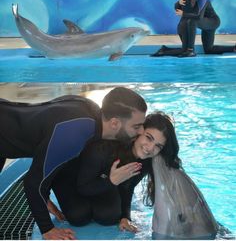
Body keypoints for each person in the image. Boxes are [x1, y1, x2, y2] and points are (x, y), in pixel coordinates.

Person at [0, 87, 147, 240]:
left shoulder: (87, 109)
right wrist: (47, 229)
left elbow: (44, 131)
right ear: (115, 123)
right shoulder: (73, 136)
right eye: (137, 126)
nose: (142, 131)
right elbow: (33, 183)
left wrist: (43, 195)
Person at [48, 112, 218, 240]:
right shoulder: (105, 148)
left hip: (101, 183)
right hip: (74, 180)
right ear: (140, 132)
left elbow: (127, 187)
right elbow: (83, 186)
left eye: (158, 146)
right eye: (148, 138)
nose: (150, 148)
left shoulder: (145, 161)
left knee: (109, 217)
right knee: (78, 217)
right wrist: (112, 180)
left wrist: (124, 217)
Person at [152, 0, 236, 57]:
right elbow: (178, 9)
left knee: (192, 20)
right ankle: (165, 50)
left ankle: (190, 50)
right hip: (201, 21)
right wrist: (179, 2)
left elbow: (199, 16)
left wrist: (183, 14)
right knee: (208, 50)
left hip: (212, 21)